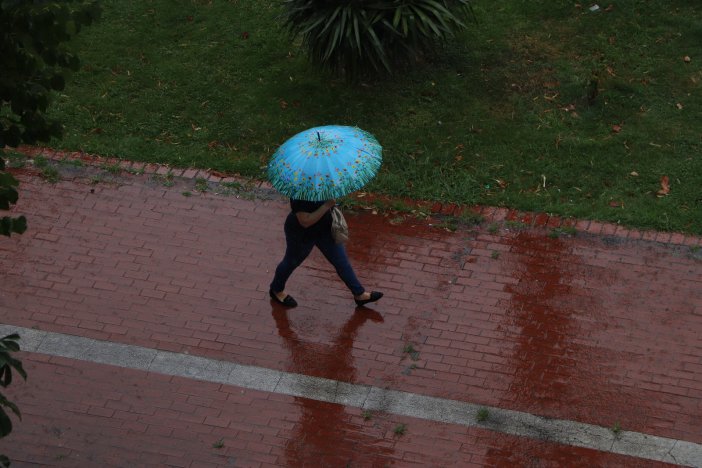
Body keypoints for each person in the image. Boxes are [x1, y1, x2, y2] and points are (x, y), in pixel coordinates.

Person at [269, 198, 383, 308]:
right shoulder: (300, 192)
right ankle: (276, 290)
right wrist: (326, 205)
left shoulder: (324, 183)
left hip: (325, 230)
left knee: (341, 262)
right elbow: (305, 221)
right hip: (301, 234)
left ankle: (359, 294)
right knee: (291, 262)